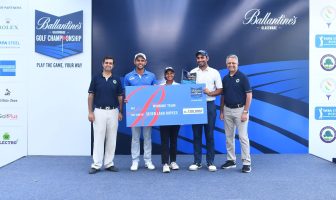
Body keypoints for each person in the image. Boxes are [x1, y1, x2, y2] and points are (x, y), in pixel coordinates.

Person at [88, 56, 123, 174]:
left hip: (114, 111)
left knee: (112, 138)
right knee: (98, 138)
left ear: (113, 65)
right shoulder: (96, 78)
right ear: (103, 64)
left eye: (111, 63)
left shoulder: (116, 79)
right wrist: (90, 112)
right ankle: (96, 164)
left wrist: (121, 111)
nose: (108, 64)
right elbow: (90, 96)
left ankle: (109, 163)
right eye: (106, 62)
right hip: (99, 111)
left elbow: (120, 96)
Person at [188, 50, 223, 172]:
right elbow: (188, 90)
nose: (200, 60)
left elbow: (220, 90)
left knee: (209, 135)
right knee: (196, 135)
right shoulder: (192, 72)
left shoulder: (214, 72)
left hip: (209, 105)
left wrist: (210, 92)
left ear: (207, 58)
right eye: (198, 58)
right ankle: (197, 162)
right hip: (195, 106)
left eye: (202, 57)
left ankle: (210, 162)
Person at [219, 54, 252, 173]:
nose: (231, 65)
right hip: (227, 110)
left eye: (233, 63)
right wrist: (221, 111)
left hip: (240, 110)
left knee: (243, 137)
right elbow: (223, 95)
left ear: (237, 64)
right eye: (229, 63)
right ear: (226, 64)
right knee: (229, 137)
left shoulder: (243, 77)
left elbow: (249, 95)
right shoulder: (225, 78)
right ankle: (231, 160)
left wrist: (245, 111)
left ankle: (246, 162)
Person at [124, 53, 157, 171]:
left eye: (142, 60)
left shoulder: (152, 76)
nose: (140, 62)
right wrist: (125, 98)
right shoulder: (128, 76)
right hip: (134, 112)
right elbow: (125, 93)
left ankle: (148, 160)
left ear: (145, 62)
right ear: (134, 62)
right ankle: (135, 161)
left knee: (147, 137)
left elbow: (156, 92)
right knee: (135, 137)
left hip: (148, 111)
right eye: (138, 60)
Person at [159, 67, 180, 173]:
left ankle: (173, 161)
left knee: (173, 140)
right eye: (167, 73)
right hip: (163, 118)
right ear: (164, 75)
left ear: (174, 74)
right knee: (164, 141)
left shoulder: (179, 87)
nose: (169, 75)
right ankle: (165, 163)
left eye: (171, 73)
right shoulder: (159, 87)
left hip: (176, 118)